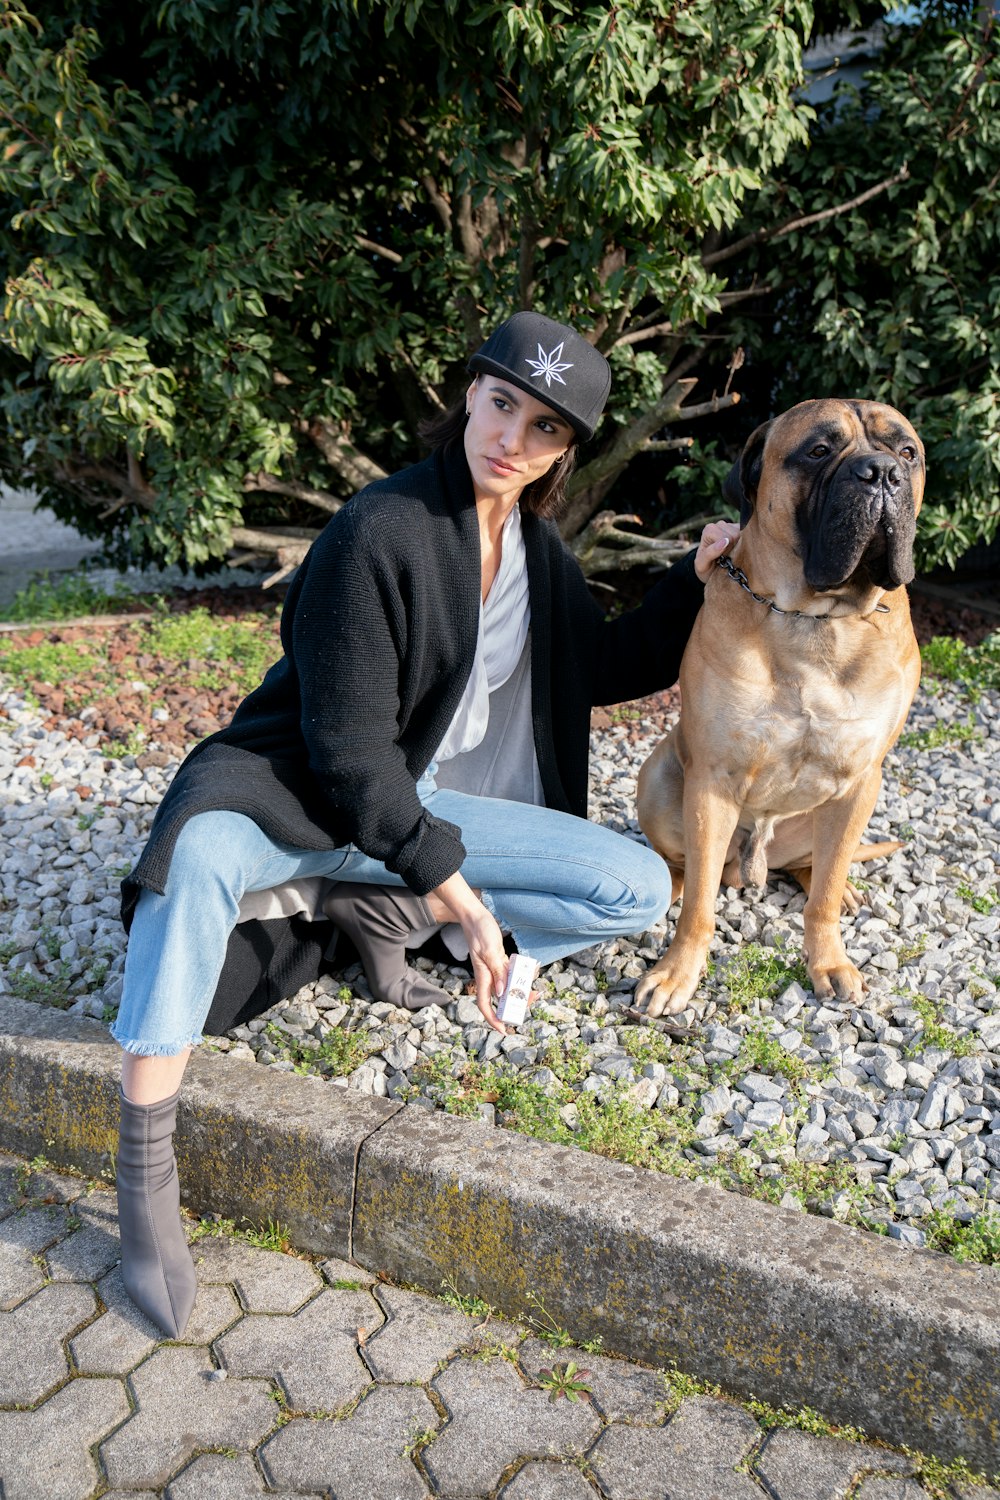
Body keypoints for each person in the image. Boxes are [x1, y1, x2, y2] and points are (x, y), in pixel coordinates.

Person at [110, 310, 739, 1338]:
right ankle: (142, 1171)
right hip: (301, 785)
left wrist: (690, 579)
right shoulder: (380, 528)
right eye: (501, 405)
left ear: (561, 453)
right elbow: (350, 756)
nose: (510, 439)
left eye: (542, 429)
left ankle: (375, 904)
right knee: (198, 859)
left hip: (415, 811)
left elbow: (607, 668)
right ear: (471, 397)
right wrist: (458, 897)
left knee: (636, 888)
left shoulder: (532, 550)